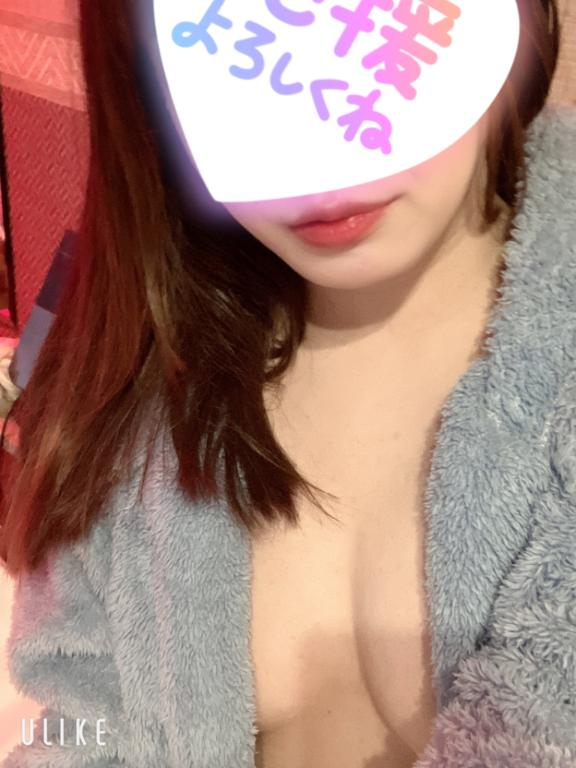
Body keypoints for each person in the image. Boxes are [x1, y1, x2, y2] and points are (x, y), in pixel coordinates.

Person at [0, 0, 574, 766]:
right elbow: (80, 718)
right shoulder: (140, 389)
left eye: (361, 18)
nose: (324, 147)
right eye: (236, 36)